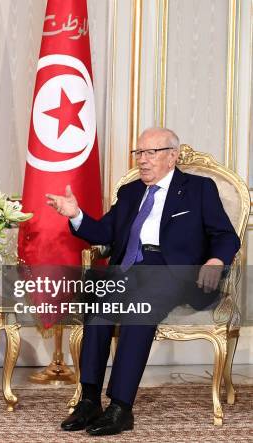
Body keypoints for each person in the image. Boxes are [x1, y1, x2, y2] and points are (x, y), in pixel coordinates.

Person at [46, 127, 240, 436]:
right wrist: (76, 215)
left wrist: (216, 260)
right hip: (128, 270)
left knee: (139, 311)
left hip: (171, 271)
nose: (142, 160)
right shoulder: (131, 192)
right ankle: (90, 401)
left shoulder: (199, 189)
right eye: (139, 153)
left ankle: (121, 407)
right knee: (98, 310)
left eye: (151, 153)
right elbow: (104, 233)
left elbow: (225, 236)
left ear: (172, 156)